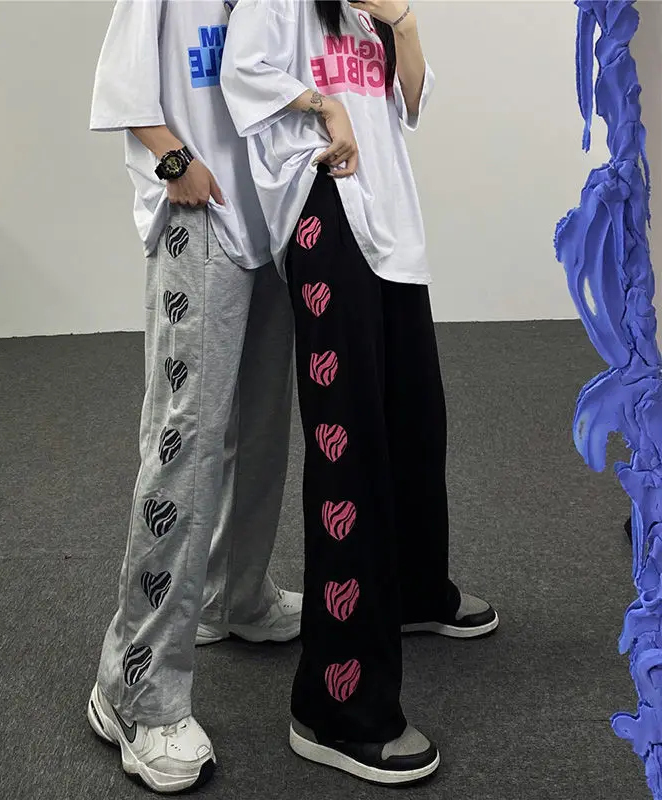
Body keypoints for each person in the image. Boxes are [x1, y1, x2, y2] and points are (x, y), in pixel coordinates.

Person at [221, 0, 499, 786]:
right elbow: (244, 71)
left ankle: (414, 592)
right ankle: (335, 707)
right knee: (352, 456)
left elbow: (410, 100)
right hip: (325, 210)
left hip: (391, 225)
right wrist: (322, 103)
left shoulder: (364, 12)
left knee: (417, 423)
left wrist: (402, 20)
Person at [86, 0, 302, 792]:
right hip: (198, 214)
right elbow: (122, 84)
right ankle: (133, 690)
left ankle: (232, 595)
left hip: (270, 216)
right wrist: (175, 163)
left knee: (261, 427)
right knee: (185, 445)